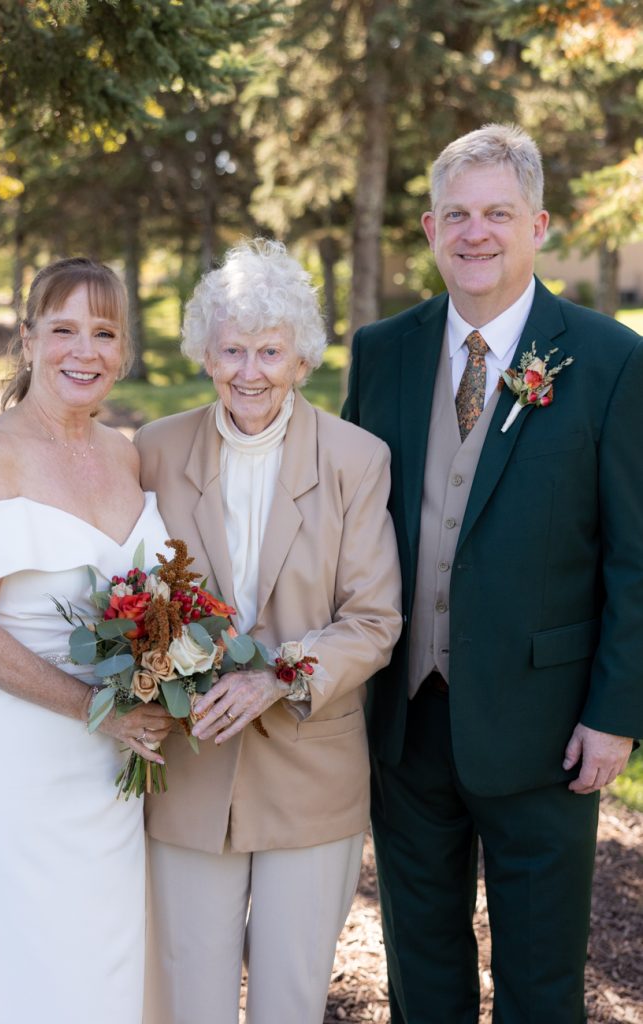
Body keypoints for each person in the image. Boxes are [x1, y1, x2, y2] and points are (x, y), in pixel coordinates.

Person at [342, 123, 643, 1023]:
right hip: (405, 721)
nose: (475, 233)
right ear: (430, 230)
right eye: (456, 215)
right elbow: (349, 525)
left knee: (541, 980)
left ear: (537, 225)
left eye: (497, 214)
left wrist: (614, 714)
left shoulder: (609, 359)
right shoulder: (381, 351)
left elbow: (634, 556)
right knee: (420, 965)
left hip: (547, 728)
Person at [135, 238, 402, 1024]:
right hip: (189, 765)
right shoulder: (153, 450)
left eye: (269, 352)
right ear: (205, 354)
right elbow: (129, 594)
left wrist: (276, 675)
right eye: (231, 350)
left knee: (290, 996)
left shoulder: (356, 458)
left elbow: (374, 619)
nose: (249, 372)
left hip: (311, 768)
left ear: (302, 359)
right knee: (188, 997)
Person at [0, 257, 174, 1024]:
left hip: (110, 772)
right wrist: (98, 709)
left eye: (104, 333)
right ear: (27, 340)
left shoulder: (125, 453)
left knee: (100, 965)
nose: (85, 351)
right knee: (25, 965)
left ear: (123, 350)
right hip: (18, 767)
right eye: (63, 330)